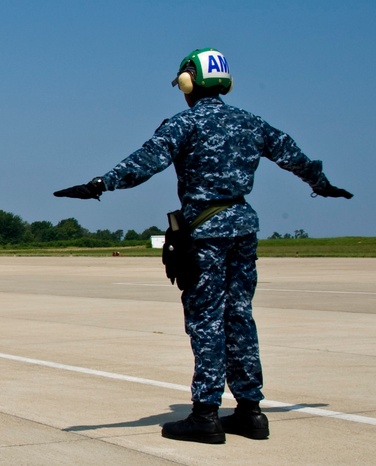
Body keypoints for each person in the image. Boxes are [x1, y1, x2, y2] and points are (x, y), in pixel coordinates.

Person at [53, 48, 353, 444]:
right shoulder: (250, 123)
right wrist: (321, 184)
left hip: (205, 233)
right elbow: (292, 155)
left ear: (189, 82)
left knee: (207, 321)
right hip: (243, 229)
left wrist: (99, 185)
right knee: (240, 317)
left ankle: (205, 414)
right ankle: (250, 411)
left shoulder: (185, 124)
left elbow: (145, 162)